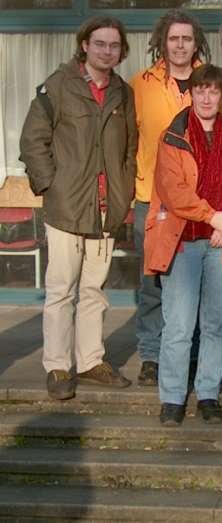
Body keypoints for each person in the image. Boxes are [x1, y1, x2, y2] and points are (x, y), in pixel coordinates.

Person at [19, 15, 136, 400]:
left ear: (121, 51)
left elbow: (129, 149)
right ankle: (57, 367)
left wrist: (123, 193)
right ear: (84, 45)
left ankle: (90, 361)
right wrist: (51, 186)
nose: (107, 51)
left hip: (106, 208)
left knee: (94, 290)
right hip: (67, 205)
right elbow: (33, 141)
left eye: (114, 45)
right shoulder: (58, 85)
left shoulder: (122, 92)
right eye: (99, 43)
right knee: (61, 291)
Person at [143, 65, 222, 426]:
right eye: (200, 91)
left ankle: (208, 393)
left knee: (216, 324)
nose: (207, 98)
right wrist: (213, 218)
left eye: (214, 91)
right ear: (191, 93)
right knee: (177, 324)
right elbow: (174, 191)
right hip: (184, 240)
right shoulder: (172, 137)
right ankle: (173, 398)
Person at [131, 9, 222, 387]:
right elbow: (129, 139)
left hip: (204, 206)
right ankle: (151, 355)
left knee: (197, 287)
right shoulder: (140, 84)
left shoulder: (212, 81)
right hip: (153, 199)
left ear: (196, 43)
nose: (179, 45)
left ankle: (189, 358)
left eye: (186, 39)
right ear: (162, 41)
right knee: (153, 283)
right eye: (173, 38)